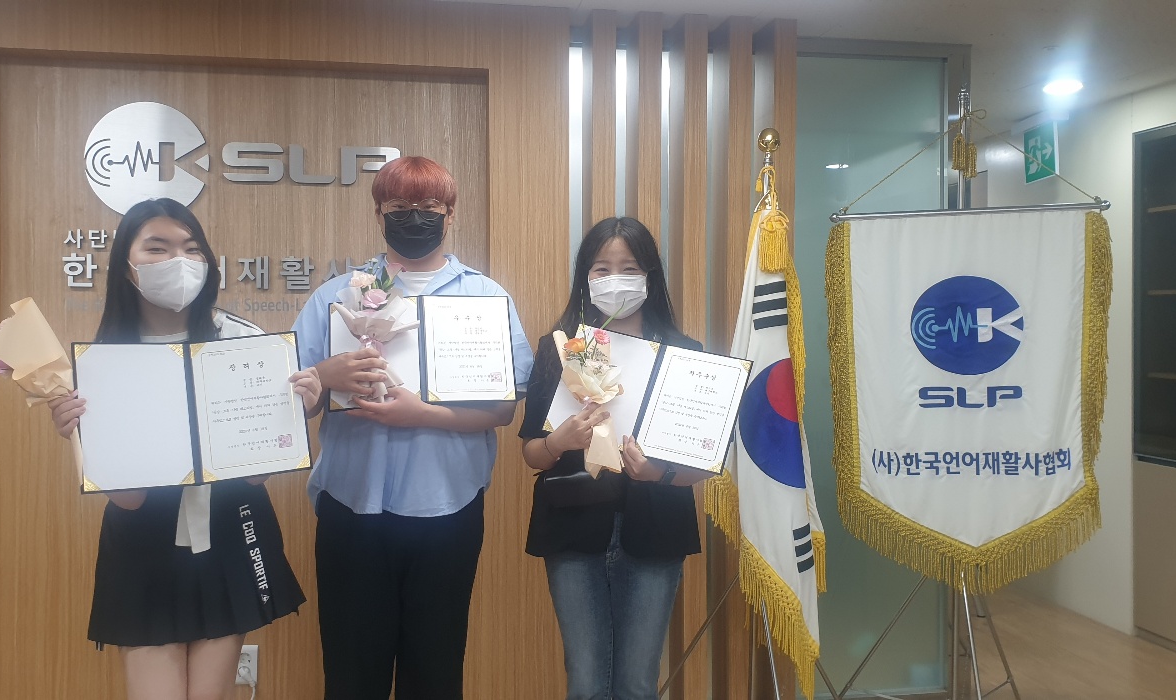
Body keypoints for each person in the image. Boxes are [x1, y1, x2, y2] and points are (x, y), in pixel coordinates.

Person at [44, 198, 313, 700]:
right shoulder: (105, 360)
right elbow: (128, 499)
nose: (179, 261)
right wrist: (80, 437)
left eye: (191, 248)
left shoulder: (242, 340)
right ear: (126, 264)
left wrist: (292, 413)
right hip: (143, 541)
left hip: (228, 529)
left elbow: (255, 474)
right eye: (157, 248)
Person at [290, 156, 534, 699]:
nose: (415, 216)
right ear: (379, 214)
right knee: (352, 676)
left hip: (447, 508)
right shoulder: (336, 296)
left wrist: (419, 413)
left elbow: (502, 410)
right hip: (352, 506)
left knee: (435, 671)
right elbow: (296, 403)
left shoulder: (485, 298)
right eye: (400, 206)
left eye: (429, 206)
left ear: (450, 214)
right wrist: (325, 377)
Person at [519, 217, 715, 700]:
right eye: (601, 269)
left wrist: (658, 474)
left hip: (656, 527)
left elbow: (700, 463)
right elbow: (531, 453)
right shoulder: (563, 347)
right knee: (586, 681)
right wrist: (560, 442)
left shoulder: (684, 354)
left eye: (628, 268)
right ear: (585, 276)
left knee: (637, 683)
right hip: (572, 528)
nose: (615, 279)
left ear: (650, 274)